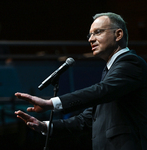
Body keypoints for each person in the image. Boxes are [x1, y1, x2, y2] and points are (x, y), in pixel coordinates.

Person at [15, 12, 147, 150]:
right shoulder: (110, 71)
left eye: (98, 32)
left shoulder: (131, 63)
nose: (91, 39)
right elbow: (86, 119)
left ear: (118, 34)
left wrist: (51, 103)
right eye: (90, 35)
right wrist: (45, 126)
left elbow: (102, 90)